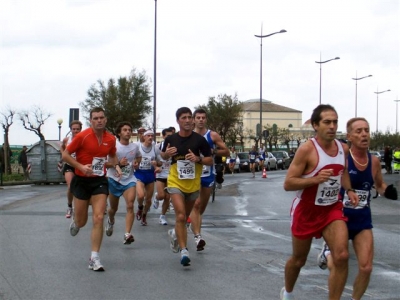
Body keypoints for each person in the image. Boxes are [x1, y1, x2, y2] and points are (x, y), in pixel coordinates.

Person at [280, 104, 359, 300]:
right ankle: (288, 292)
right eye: (327, 122)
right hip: (306, 210)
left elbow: (344, 172)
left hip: (332, 209)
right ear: (315, 125)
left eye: (335, 122)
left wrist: (349, 190)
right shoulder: (307, 149)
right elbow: (288, 184)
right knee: (299, 260)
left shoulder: (344, 148)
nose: (332, 126)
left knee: (341, 256)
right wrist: (315, 179)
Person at [317, 117, 398, 300]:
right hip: (339, 218)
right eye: (359, 131)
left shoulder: (374, 161)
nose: (364, 134)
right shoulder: (343, 158)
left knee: (366, 267)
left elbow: (379, 185)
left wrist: (388, 191)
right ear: (350, 137)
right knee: (338, 263)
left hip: (362, 218)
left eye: (367, 130)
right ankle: (326, 252)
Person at [62, 107, 121, 271]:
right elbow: (65, 155)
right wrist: (80, 166)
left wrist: (116, 166)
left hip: (99, 181)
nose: (99, 120)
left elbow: (113, 154)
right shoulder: (82, 136)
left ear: (106, 119)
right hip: (81, 180)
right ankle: (76, 221)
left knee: (99, 217)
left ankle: (94, 257)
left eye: (101, 117)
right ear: (91, 121)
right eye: (95, 118)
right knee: (82, 222)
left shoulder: (110, 139)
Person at [161, 107, 213, 267]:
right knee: (181, 216)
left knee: (184, 218)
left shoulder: (199, 140)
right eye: (184, 117)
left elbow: (210, 160)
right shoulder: (171, 139)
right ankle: (184, 251)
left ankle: (175, 233)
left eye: (190, 117)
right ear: (178, 121)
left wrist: (198, 159)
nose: (188, 120)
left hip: (192, 184)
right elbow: (163, 155)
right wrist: (167, 154)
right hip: (175, 182)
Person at [189, 108, 229, 251]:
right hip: (192, 174)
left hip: (207, 174)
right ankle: (198, 237)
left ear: (206, 120)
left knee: (201, 209)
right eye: (198, 117)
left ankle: (194, 226)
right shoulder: (189, 135)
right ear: (193, 119)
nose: (200, 120)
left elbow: (226, 151)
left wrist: (213, 151)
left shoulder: (212, 135)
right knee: (196, 204)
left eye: (203, 118)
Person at [105, 121, 142, 244]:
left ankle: (127, 234)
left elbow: (138, 156)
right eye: (125, 130)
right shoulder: (113, 146)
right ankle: (111, 220)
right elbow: (105, 164)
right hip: (114, 179)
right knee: (113, 209)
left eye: (129, 130)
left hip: (129, 180)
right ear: (119, 133)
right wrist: (118, 164)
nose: (128, 132)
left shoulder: (134, 146)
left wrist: (137, 162)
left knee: (130, 205)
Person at [134, 130, 162, 226]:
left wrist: (157, 164)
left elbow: (160, 162)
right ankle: (140, 207)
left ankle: (144, 215)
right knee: (141, 195)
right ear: (144, 137)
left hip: (150, 175)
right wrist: (135, 163)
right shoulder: (138, 147)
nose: (150, 137)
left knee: (149, 199)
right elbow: (133, 159)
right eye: (148, 136)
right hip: (139, 174)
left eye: (152, 136)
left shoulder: (155, 148)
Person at [60, 120, 83, 218]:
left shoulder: (83, 139)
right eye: (74, 129)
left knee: (80, 188)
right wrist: (63, 154)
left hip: (80, 165)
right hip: (69, 165)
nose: (75, 131)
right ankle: (69, 206)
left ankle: (79, 208)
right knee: (70, 186)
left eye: (77, 129)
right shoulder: (66, 140)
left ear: (80, 130)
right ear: (70, 130)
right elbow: (61, 147)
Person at [153, 127, 174, 225]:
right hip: (160, 174)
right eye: (168, 136)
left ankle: (162, 216)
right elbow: (152, 160)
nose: (170, 138)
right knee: (162, 195)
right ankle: (156, 197)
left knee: (167, 197)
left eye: (172, 136)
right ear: (163, 136)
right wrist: (157, 166)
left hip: (171, 175)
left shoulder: (176, 147)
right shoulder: (157, 147)